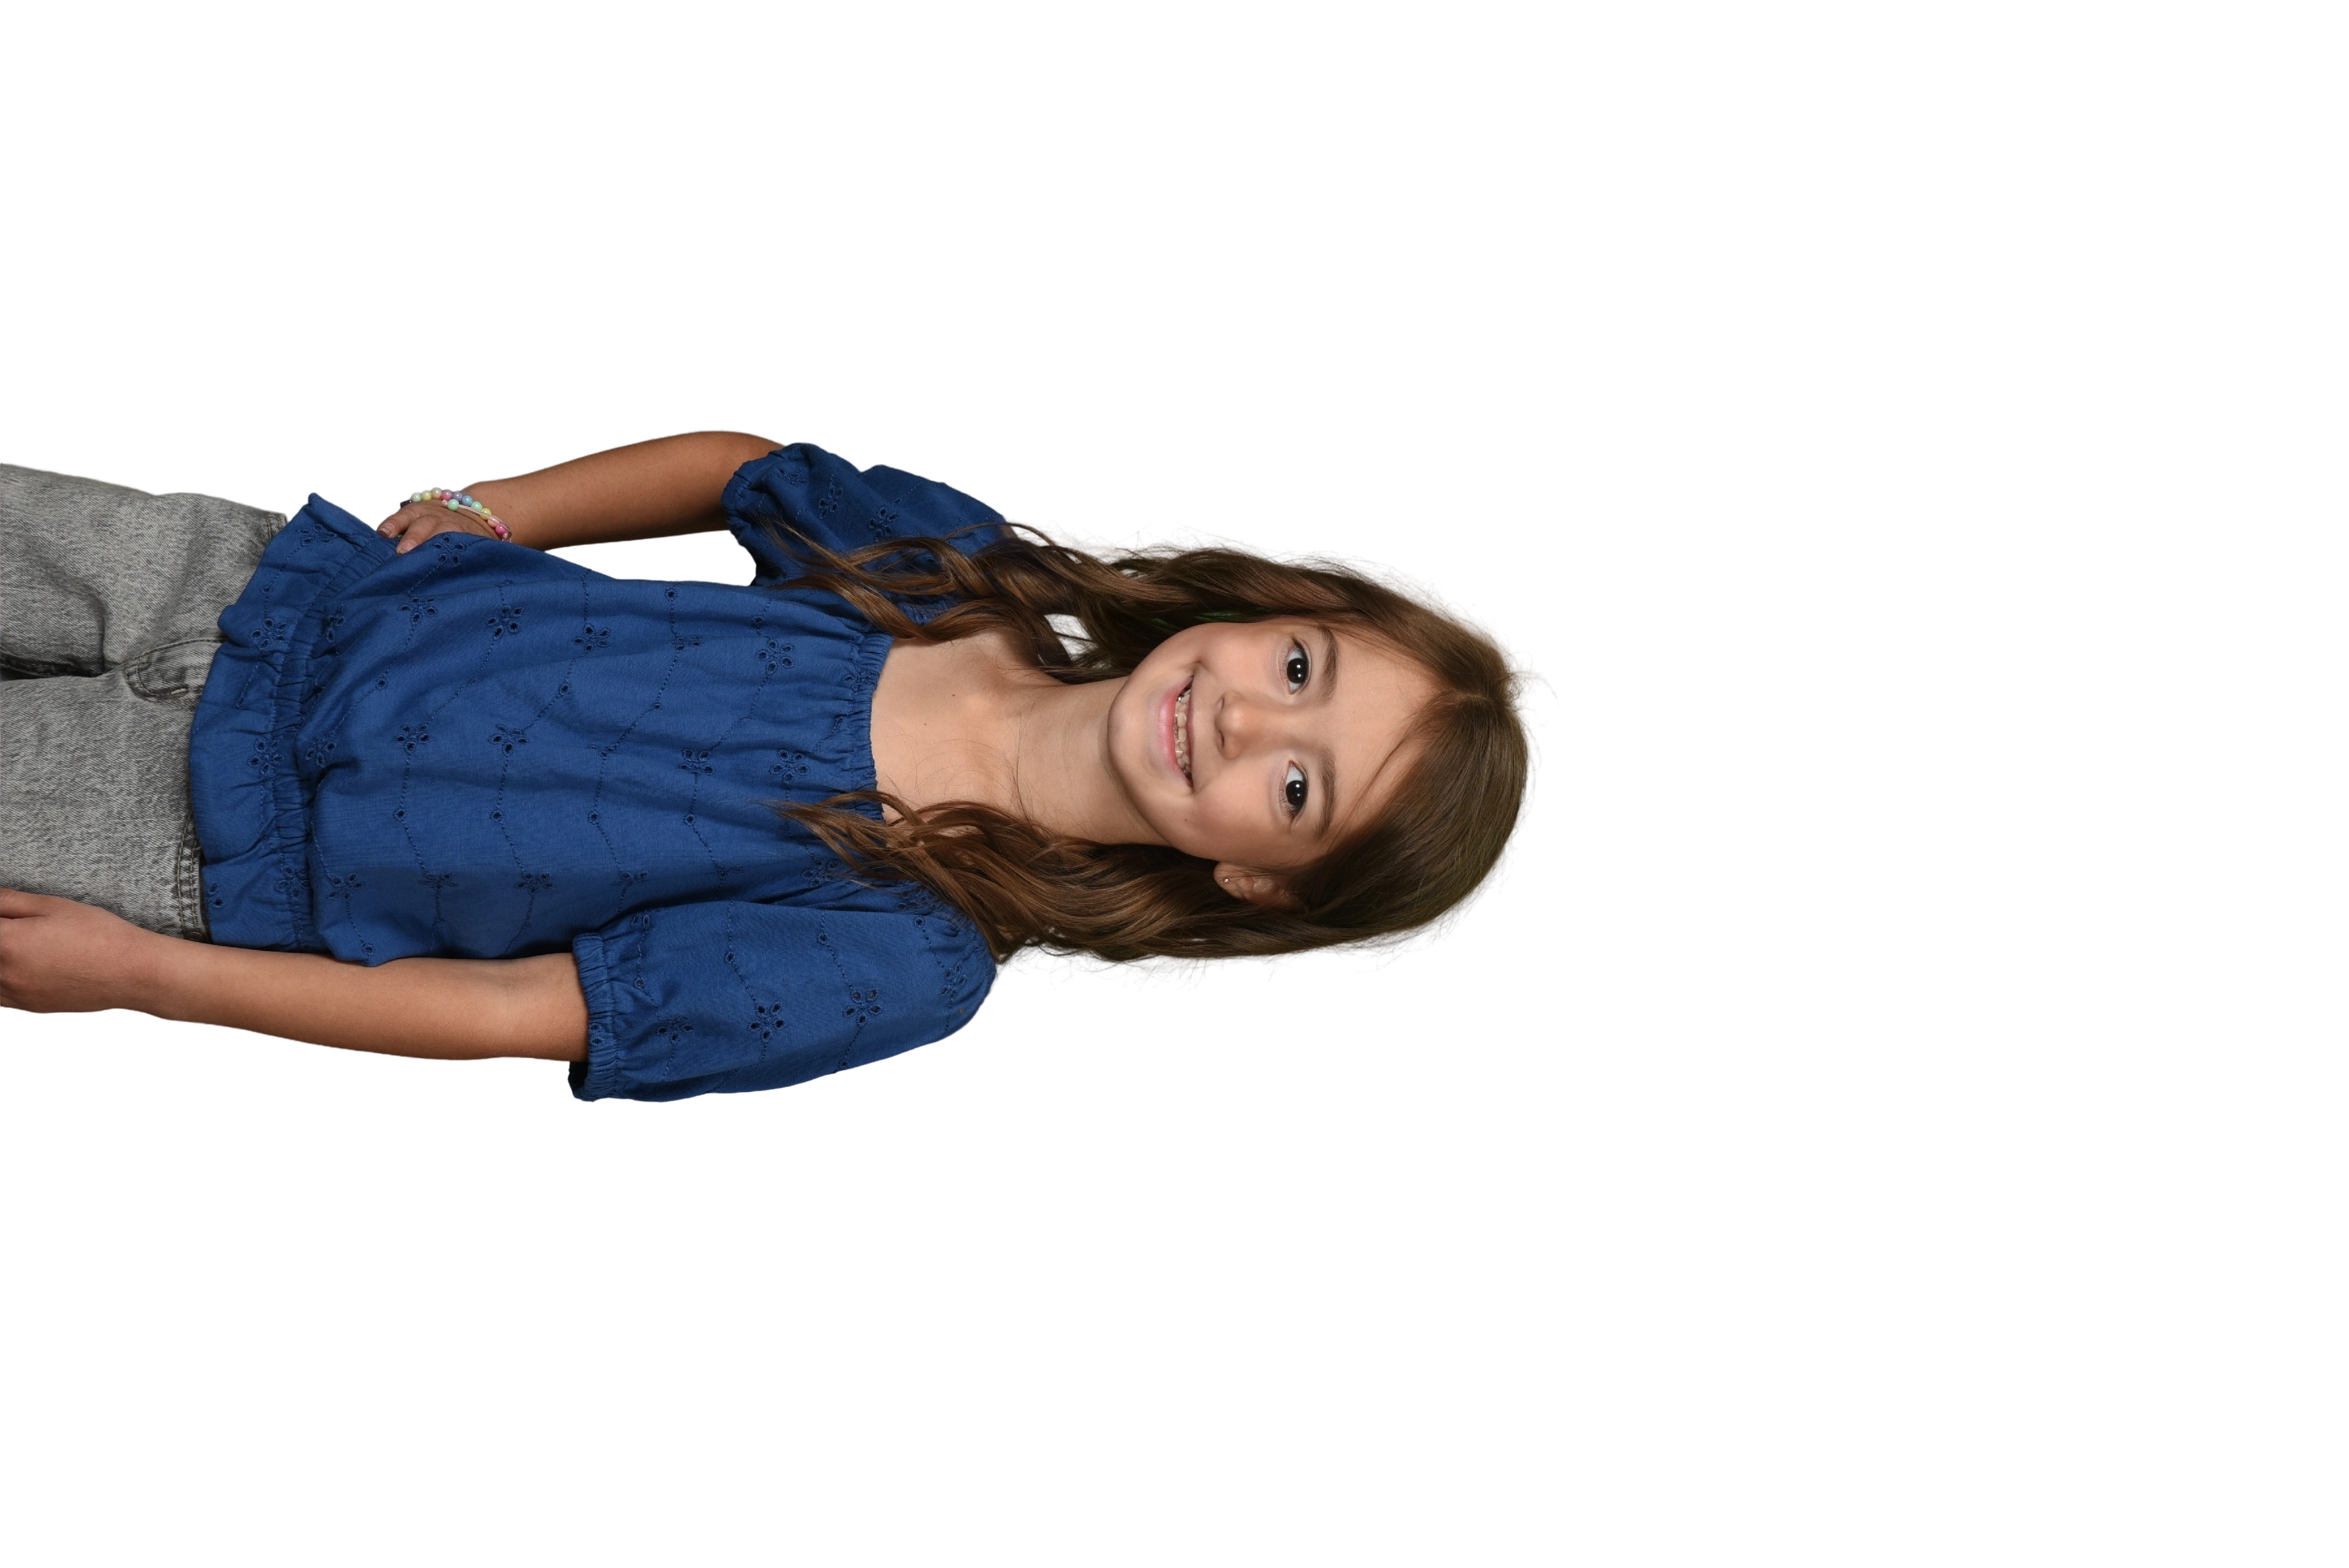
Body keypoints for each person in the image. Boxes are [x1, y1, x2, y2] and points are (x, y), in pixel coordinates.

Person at [0, 432, 1555, 1102]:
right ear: (1282, 606)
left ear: (1258, 881)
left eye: (1300, 789)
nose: (1245, 723)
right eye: (1302, 671)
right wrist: (494, 509)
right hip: (256, 590)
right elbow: (743, 466)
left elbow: (520, 1011)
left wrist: (154, 981)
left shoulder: (909, 954)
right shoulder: (974, 575)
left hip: (198, 841)